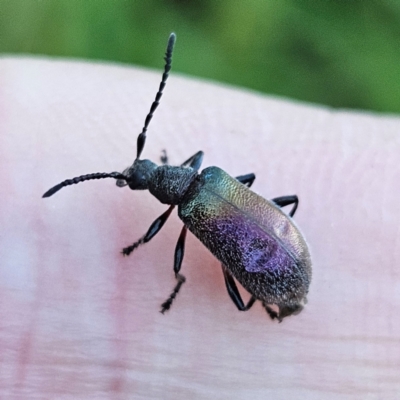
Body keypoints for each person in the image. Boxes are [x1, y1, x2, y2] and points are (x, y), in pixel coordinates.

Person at [1, 56, 399, 398]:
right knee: (255, 247)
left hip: (282, 260)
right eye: (140, 175)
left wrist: (139, 243)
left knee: (239, 298)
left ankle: (203, 291)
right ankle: (273, 304)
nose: (134, 175)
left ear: (158, 179)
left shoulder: (191, 209)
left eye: (139, 177)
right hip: (283, 245)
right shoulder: (209, 177)